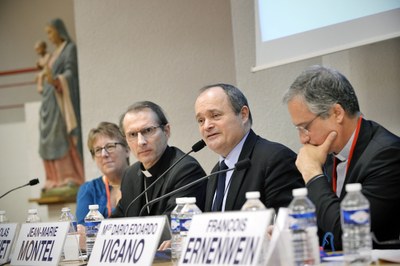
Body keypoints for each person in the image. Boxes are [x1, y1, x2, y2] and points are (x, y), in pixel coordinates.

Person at [282, 65, 400, 250]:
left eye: (305, 127)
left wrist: (313, 174)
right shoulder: (328, 152)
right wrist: (287, 233)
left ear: (337, 113)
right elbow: (322, 223)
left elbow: (346, 233)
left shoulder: (387, 155)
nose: (303, 138)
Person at [194, 83, 304, 213]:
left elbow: (286, 224)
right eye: (201, 120)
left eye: (215, 115)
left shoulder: (276, 159)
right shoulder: (216, 173)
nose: (207, 126)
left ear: (244, 114)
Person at [111, 101, 207, 218]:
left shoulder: (186, 170)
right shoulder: (130, 175)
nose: (141, 142)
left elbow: (172, 225)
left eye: (148, 130)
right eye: (132, 134)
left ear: (166, 131)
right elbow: (116, 223)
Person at [39, 18, 84, 194]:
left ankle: (69, 176)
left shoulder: (69, 49)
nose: (49, 36)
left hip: (61, 101)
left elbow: (71, 73)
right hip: (48, 102)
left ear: (59, 30)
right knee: (47, 138)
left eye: (50, 32)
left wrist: (58, 80)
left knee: (60, 136)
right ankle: (54, 178)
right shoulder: (52, 54)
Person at [76, 122, 130, 224]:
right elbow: (84, 230)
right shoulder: (89, 190)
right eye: (98, 150)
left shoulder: (144, 183)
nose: (104, 154)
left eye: (110, 146)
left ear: (127, 150)